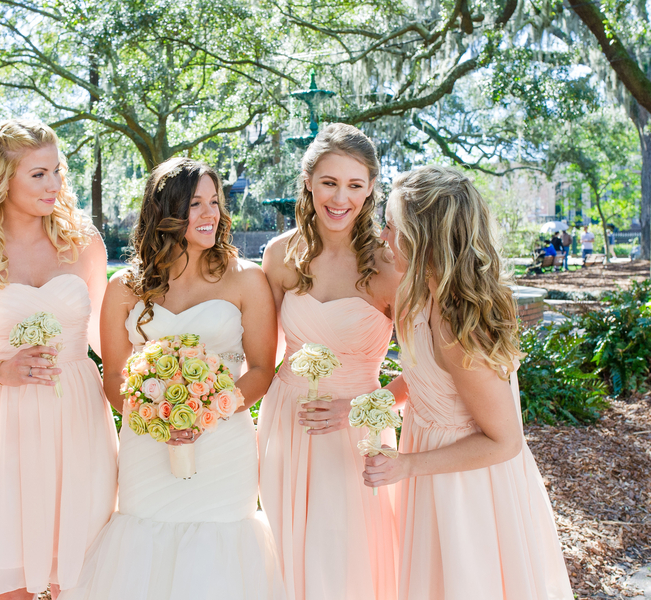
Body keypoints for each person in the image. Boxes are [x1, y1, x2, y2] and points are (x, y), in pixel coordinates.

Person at [59, 157, 285, 600]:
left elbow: (261, 370)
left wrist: (209, 410)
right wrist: (156, 420)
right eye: (195, 204)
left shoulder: (247, 279)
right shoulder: (125, 287)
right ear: (165, 212)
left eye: (214, 202)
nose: (210, 214)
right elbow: (115, 379)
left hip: (224, 446)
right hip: (147, 443)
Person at [0, 120, 117, 599]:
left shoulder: (84, 242)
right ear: (1, 179)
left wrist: (156, 374)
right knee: (5, 560)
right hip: (2, 420)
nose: (54, 185)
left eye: (57, 171)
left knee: (80, 567)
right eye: (38, 174)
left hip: (78, 416)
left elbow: (103, 338)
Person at [366, 165, 573, 599]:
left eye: (390, 226)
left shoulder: (457, 326)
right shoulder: (422, 290)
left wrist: (406, 466)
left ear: (422, 239)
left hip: (465, 483)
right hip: (431, 460)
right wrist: (375, 402)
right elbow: (424, 374)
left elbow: (504, 441)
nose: (383, 237)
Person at [258, 123, 401, 600]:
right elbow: (260, 356)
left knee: (343, 555)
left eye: (355, 186)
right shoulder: (279, 255)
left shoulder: (388, 266)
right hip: (286, 422)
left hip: (355, 430)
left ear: (371, 190)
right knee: (285, 545)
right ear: (309, 182)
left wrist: (358, 410)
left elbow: (427, 371)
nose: (340, 198)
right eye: (329, 182)